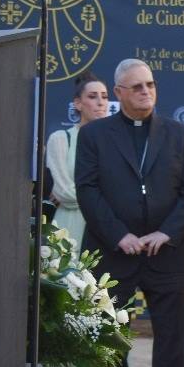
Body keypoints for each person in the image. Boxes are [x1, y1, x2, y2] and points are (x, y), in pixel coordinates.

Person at [75, 59, 184, 367]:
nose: (146, 92)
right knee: (112, 335)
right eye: (137, 87)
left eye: (150, 85)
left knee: (173, 338)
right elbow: (87, 190)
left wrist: (167, 231)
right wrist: (120, 235)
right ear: (119, 93)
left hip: (167, 252)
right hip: (114, 251)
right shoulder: (94, 135)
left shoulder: (178, 134)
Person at [46, 72, 110, 249]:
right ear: (78, 103)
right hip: (68, 230)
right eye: (92, 96)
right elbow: (63, 193)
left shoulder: (117, 144)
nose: (100, 102)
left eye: (104, 97)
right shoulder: (60, 139)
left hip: (107, 233)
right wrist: (106, 197)